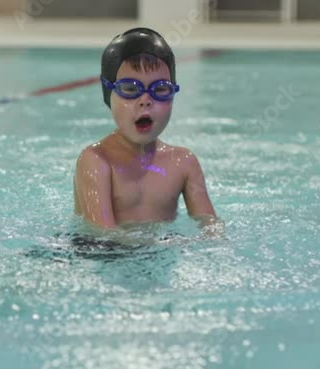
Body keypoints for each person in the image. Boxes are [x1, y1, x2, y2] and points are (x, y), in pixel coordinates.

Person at [74, 28, 220, 233]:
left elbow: (209, 224)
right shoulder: (96, 161)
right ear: (108, 93)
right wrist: (162, 246)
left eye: (160, 89)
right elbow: (102, 235)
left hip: (157, 255)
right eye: (130, 89)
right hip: (98, 254)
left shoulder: (184, 163)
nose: (145, 101)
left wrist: (214, 240)